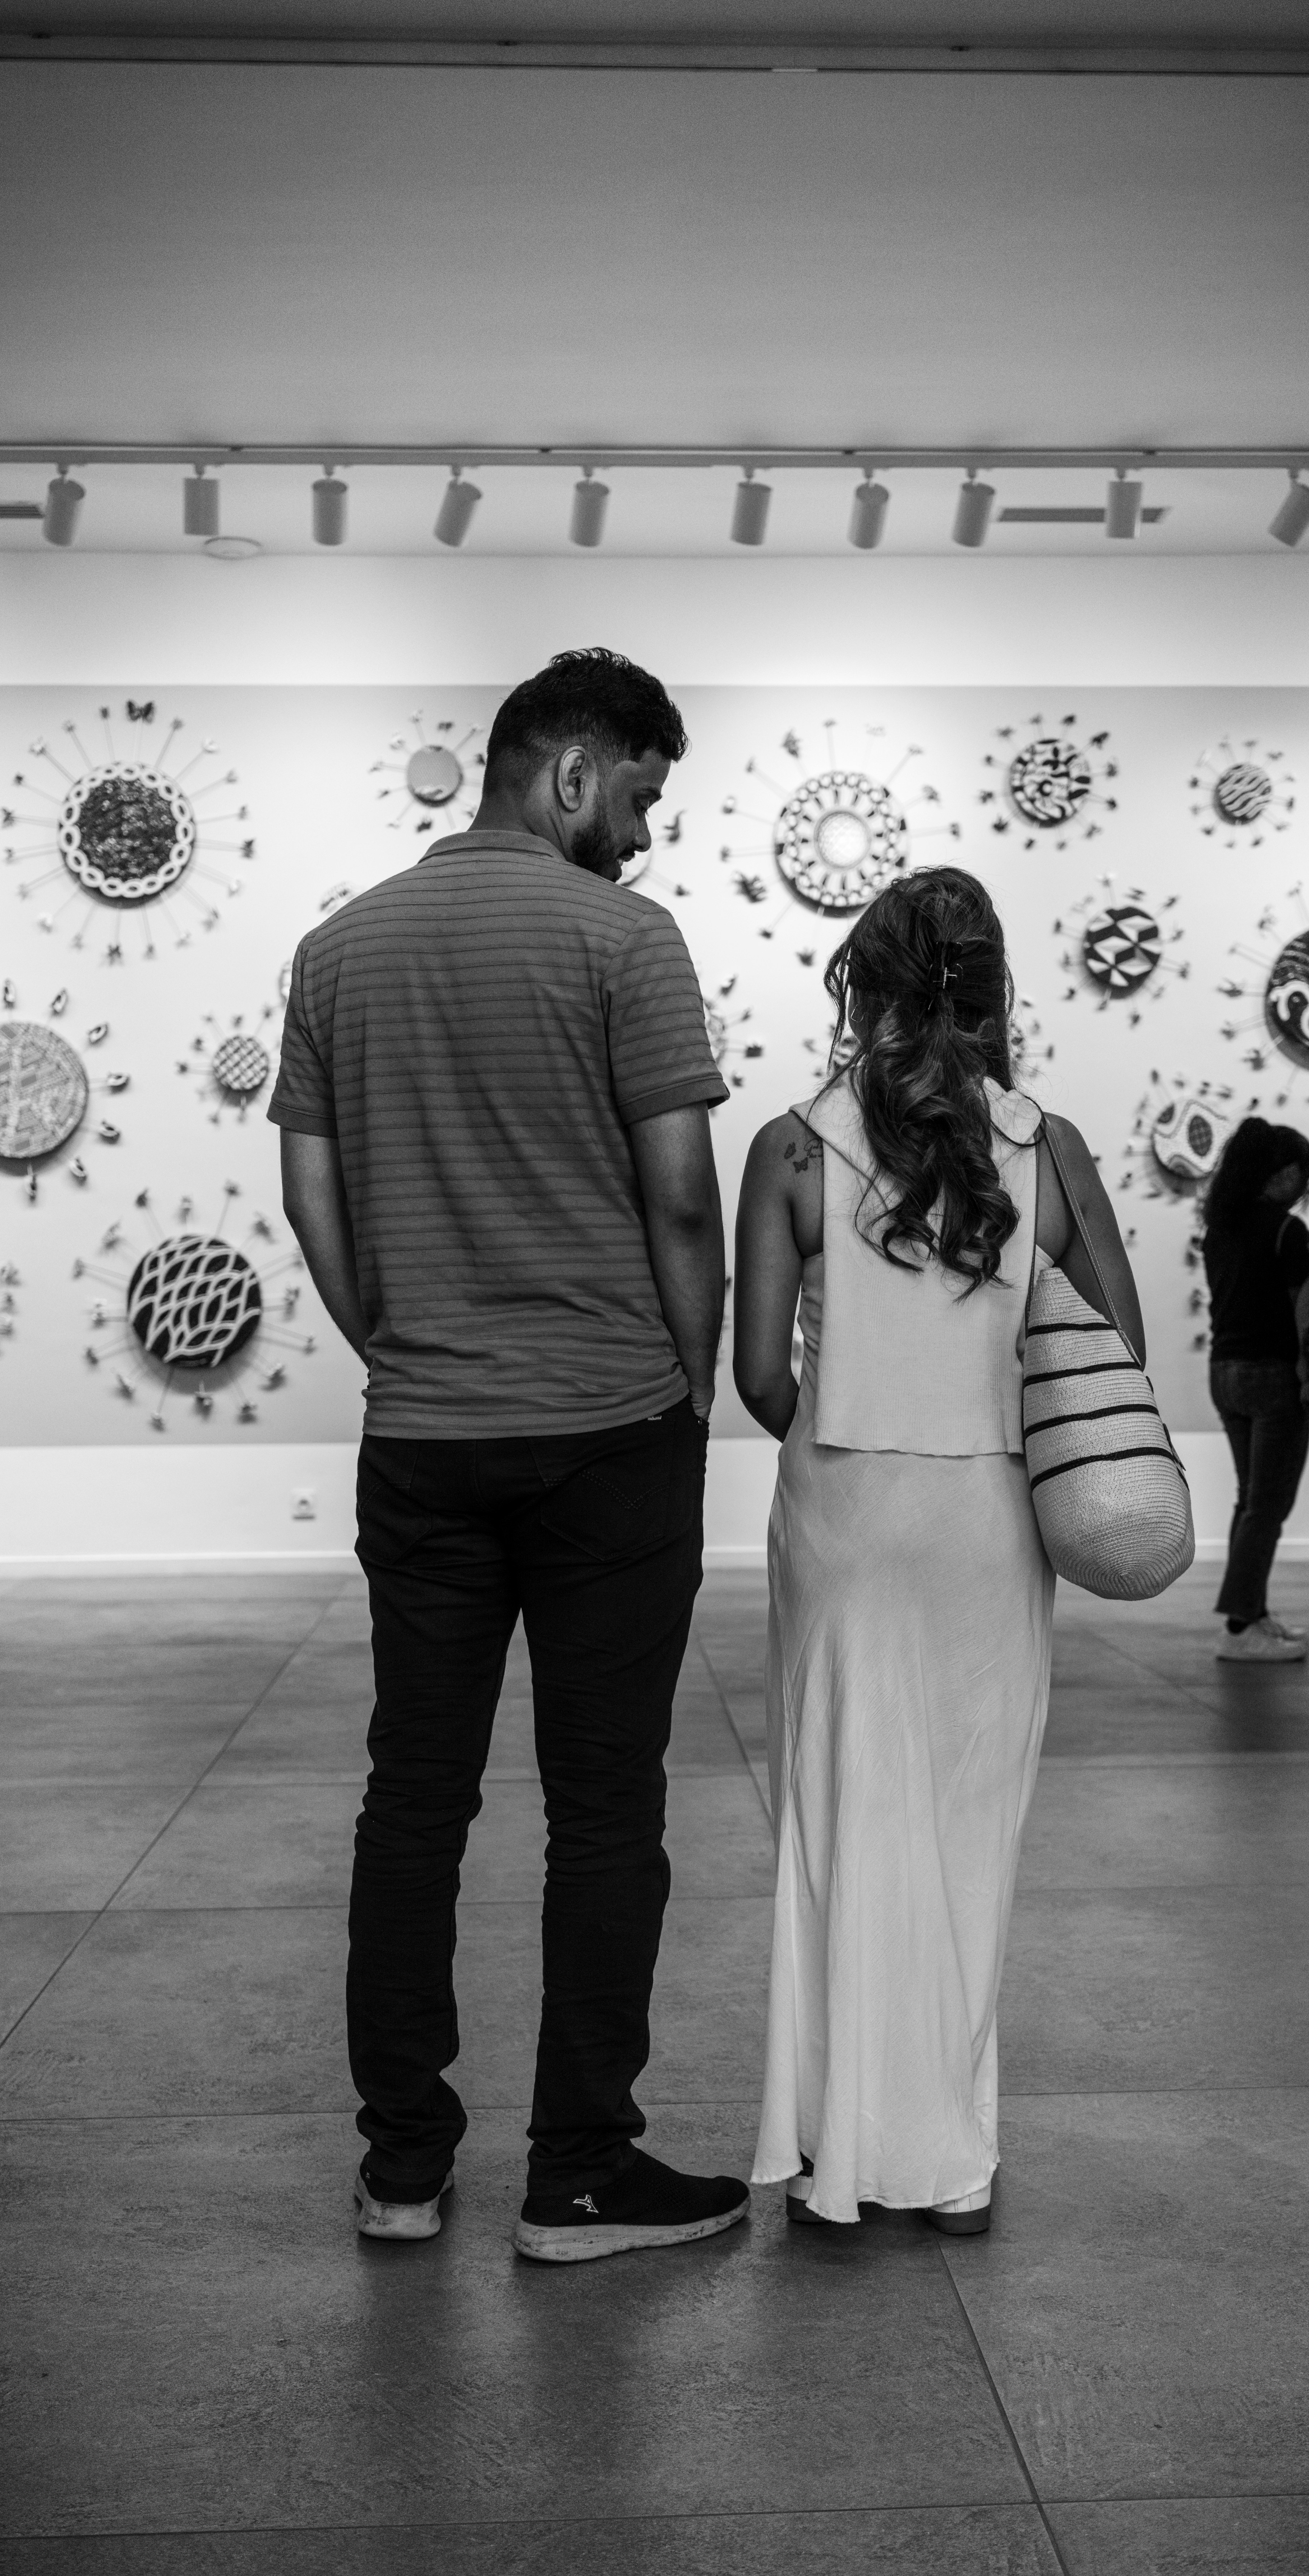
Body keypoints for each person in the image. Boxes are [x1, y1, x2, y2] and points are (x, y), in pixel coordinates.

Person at [270, 649, 751, 2264]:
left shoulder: (335, 952)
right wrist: (689, 1383)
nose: (644, 833)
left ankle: (405, 2166)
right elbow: (682, 1190)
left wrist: (402, 1347)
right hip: (609, 1429)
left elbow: (312, 1195)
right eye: (638, 794)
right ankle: (581, 2174)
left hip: (423, 1437)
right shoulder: (627, 940)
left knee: (415, 1797)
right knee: (606, 1804)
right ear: (567, 770)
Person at [733, 867, 1139, 2233]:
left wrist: (844, 1409)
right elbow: (1117, 1354)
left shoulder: (790, 1148)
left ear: (864, 985)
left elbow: (756, 1379)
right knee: (970, 1830)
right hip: (988, 1519)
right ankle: (948, 2164)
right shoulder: (1051, 1147)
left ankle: (830, 2154)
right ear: (992, 985)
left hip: (843, 1513)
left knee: (839, 1822)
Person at [1200, 1117, 1309, 1663]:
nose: (1305, 1186)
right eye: (1303, 1174)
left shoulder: (1221, 1227)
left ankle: (1253, 1613)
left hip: (1225, 1371)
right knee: (1268, 1504)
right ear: (1285, 1172)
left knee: (1252, 1500)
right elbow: (1306, 1314)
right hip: (1274, 1374)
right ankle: (1242, 1625)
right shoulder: (1286, 1230)